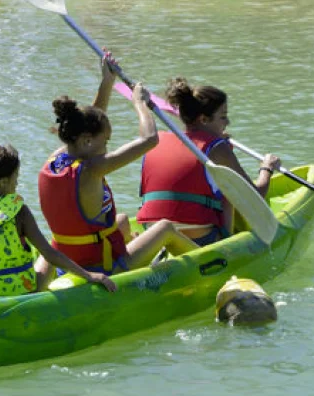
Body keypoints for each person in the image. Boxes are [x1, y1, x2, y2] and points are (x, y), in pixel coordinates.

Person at [36, 55, 198, 284]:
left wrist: (107, 82)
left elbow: (90, 119)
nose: (106, 148)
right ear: (87, 142)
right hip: (103, 268)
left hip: (69, 259)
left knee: (121, 221)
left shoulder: (56, 159)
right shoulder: (93, 168)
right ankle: (207, 264)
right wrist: (140, 104)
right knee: (165, 228)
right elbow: (150, 139)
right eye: (106, 142)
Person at [0, 143, 116, 296]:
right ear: (3, 183)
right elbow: (50, 254)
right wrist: (88, 275)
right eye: (16, 178)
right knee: (53, 246)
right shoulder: (18, 211)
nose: (16, 184)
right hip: (20, 292)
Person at [137, 77, 280, 246]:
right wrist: (267, 169)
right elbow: (254, 198)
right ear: (204, 120)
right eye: (223, 116)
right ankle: (226, 242)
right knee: (228, 186)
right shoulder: (218, 148)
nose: (228, 122)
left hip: (152, 230)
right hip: (198, 235)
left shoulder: (156, 139)